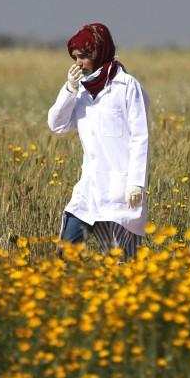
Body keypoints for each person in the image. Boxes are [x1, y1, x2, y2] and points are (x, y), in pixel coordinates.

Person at [47, 23, 150, 262]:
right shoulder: (81, 90)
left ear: (99, 52)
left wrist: (136, 183)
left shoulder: (126, 87)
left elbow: (140, 137)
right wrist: (69, 89)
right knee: (66, 255)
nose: (78, 63)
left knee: (123, 261)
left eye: (83, 56)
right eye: (75, 58)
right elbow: (57, 125)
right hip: (89, 189)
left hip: (120, 193)